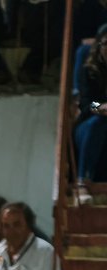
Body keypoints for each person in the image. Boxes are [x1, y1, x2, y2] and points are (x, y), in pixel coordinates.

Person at [74, 24, 107, 197]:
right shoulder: (89, 71)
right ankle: (83, 181)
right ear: (99, 47)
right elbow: (86, 105)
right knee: (98, 124)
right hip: (89, 127)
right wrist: (101, 107)